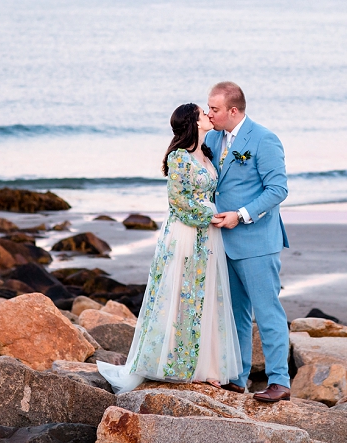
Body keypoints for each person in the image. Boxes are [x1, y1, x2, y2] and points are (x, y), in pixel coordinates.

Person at [97, 103, 242, 393]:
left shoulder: (207, 154)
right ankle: (175, 363)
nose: (209, 115)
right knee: (181, 294)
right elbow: (177, 201)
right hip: (186, 231)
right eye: (203, 113)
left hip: (208, 235)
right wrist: (207, 217)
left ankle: (205, 366)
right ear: (193, 122)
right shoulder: (179, 157)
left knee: (205, 295)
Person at [205, 81, 292, 402]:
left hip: (256, 241)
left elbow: (277, 190)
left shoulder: (264, 139)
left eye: (214, 109)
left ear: (233, 110)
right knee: (234, 313)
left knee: (267, 311)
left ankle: (279, 381)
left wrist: (239, 215)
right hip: (222, 242)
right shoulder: (212, 138)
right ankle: (237, 377)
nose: (208, 113)